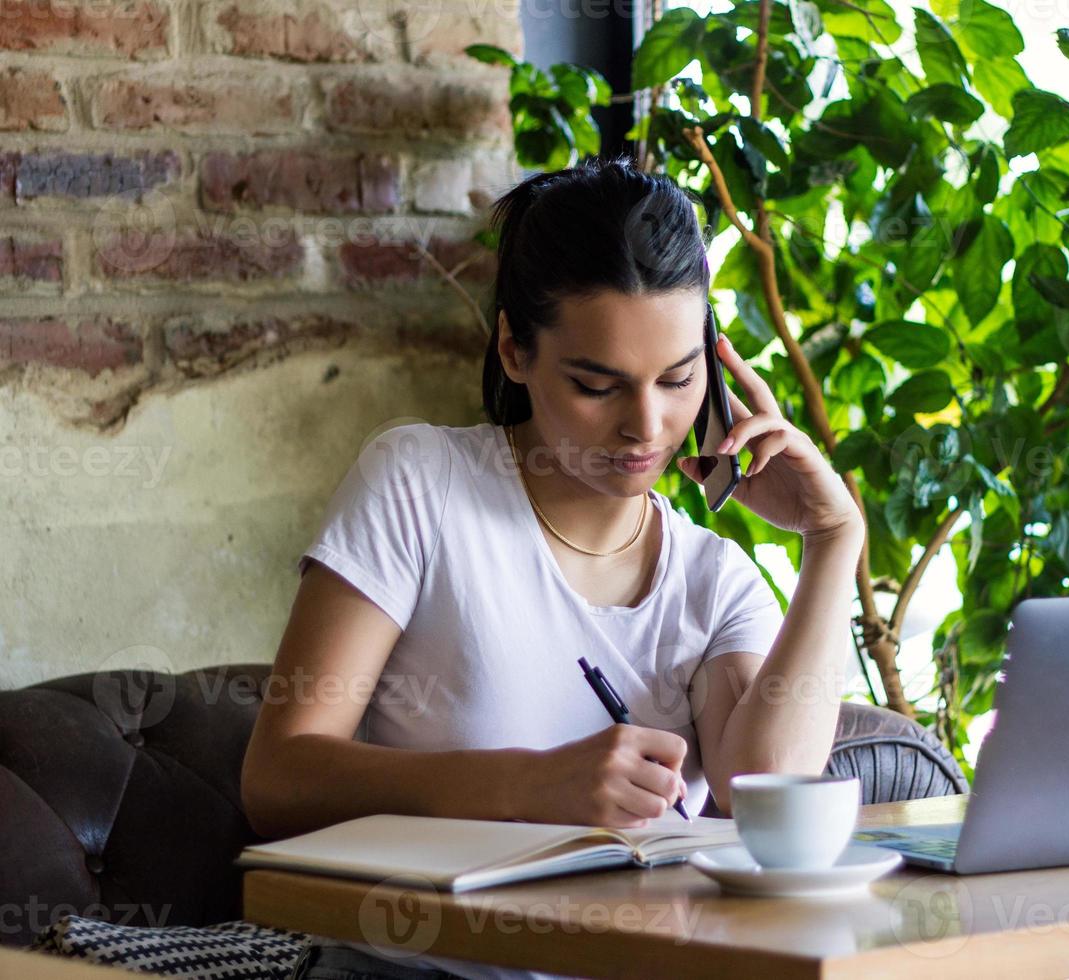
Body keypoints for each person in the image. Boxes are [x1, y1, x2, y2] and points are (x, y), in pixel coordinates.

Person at [242, 155, 866, 980]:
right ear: (513, 349)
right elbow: (279, 775)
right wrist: (534, 785)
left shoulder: (712, 581)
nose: (645, 426)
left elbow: (766, 795)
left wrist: (832, 541)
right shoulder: (422, 487)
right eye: (596, 385)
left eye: (679, 380)